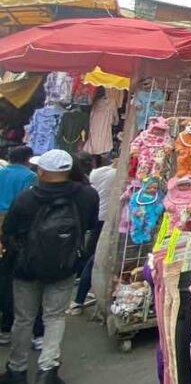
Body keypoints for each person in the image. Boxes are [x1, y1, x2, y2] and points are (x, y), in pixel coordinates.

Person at [0, 149, 98, 384]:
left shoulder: (26, 198)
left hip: (26, 268)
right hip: (64, 267)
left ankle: (17, 369)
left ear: (42, 171)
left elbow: (9, 231)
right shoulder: (86, 195)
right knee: (54, 317)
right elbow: (89, 225)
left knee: (23, 318)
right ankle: (47, 371)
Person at [0, 147, 36, 345]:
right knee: (13, 273)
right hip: (17, 224)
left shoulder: (1, 172)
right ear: (28, 159)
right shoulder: (30, 176)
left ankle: (5, 327)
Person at [71, 153, 115, 312]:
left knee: (92, 253)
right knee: (95, 257)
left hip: (100, 217)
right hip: (111, 220)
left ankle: (80, 295)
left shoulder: (95, 174)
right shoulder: (116, 174)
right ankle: (80, 298)